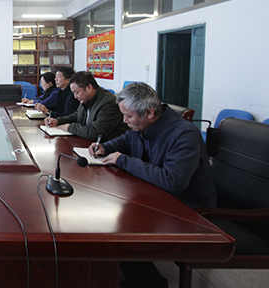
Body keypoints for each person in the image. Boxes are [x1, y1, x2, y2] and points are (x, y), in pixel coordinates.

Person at [89, 82, 216, 288]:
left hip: (186, 209)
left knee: (115, 228)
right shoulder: (143, 125)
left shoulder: (185, 134)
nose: (124, 121)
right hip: (154, 196)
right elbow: (126, 140)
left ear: (149, 112)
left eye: (128, 116)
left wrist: (123, 160)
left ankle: (151, 283)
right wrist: (104, 147)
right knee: (102, 214)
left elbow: (172, 180)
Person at [45, 71, 128, 141]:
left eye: (77, 92)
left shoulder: (108, 103)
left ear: (89, 87)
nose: (75, 97)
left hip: (107, 148)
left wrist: (70, 127)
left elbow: (96, 132)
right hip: (89, 142)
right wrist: (57, 121)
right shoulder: (86, 99)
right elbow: (77, 116)